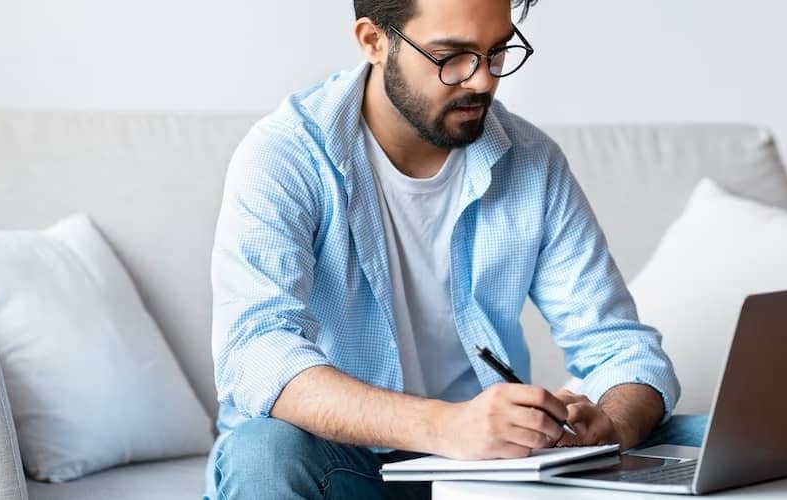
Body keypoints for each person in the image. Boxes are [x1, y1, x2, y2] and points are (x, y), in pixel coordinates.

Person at [205, 1, 704, 498]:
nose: (483, 81)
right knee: (265, 451)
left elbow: (620, 347)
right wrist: (448, 427)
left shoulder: (531, 162)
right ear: (374, 41)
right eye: (452, 57)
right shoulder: (288, 154)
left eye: (496, 52)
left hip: (490, 473)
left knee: (710, 440)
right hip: (346, 464)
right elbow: (256, 353)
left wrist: (610, 426)